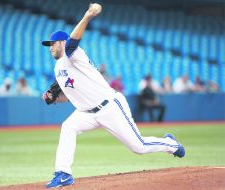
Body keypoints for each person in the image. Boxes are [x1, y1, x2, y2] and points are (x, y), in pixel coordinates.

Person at [42, 3, 185, 189]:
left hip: (109, 106)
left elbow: (73, 41)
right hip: (86, 112)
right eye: (49, 45)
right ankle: (63, 174)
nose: (50, 47)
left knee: (138, 147)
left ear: (62, 42)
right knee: (68, 126)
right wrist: (53, 98)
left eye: (52, 43)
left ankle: (170, 144)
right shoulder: (58, 67)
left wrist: (87, 16)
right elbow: (69, 96)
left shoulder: (74, 54)